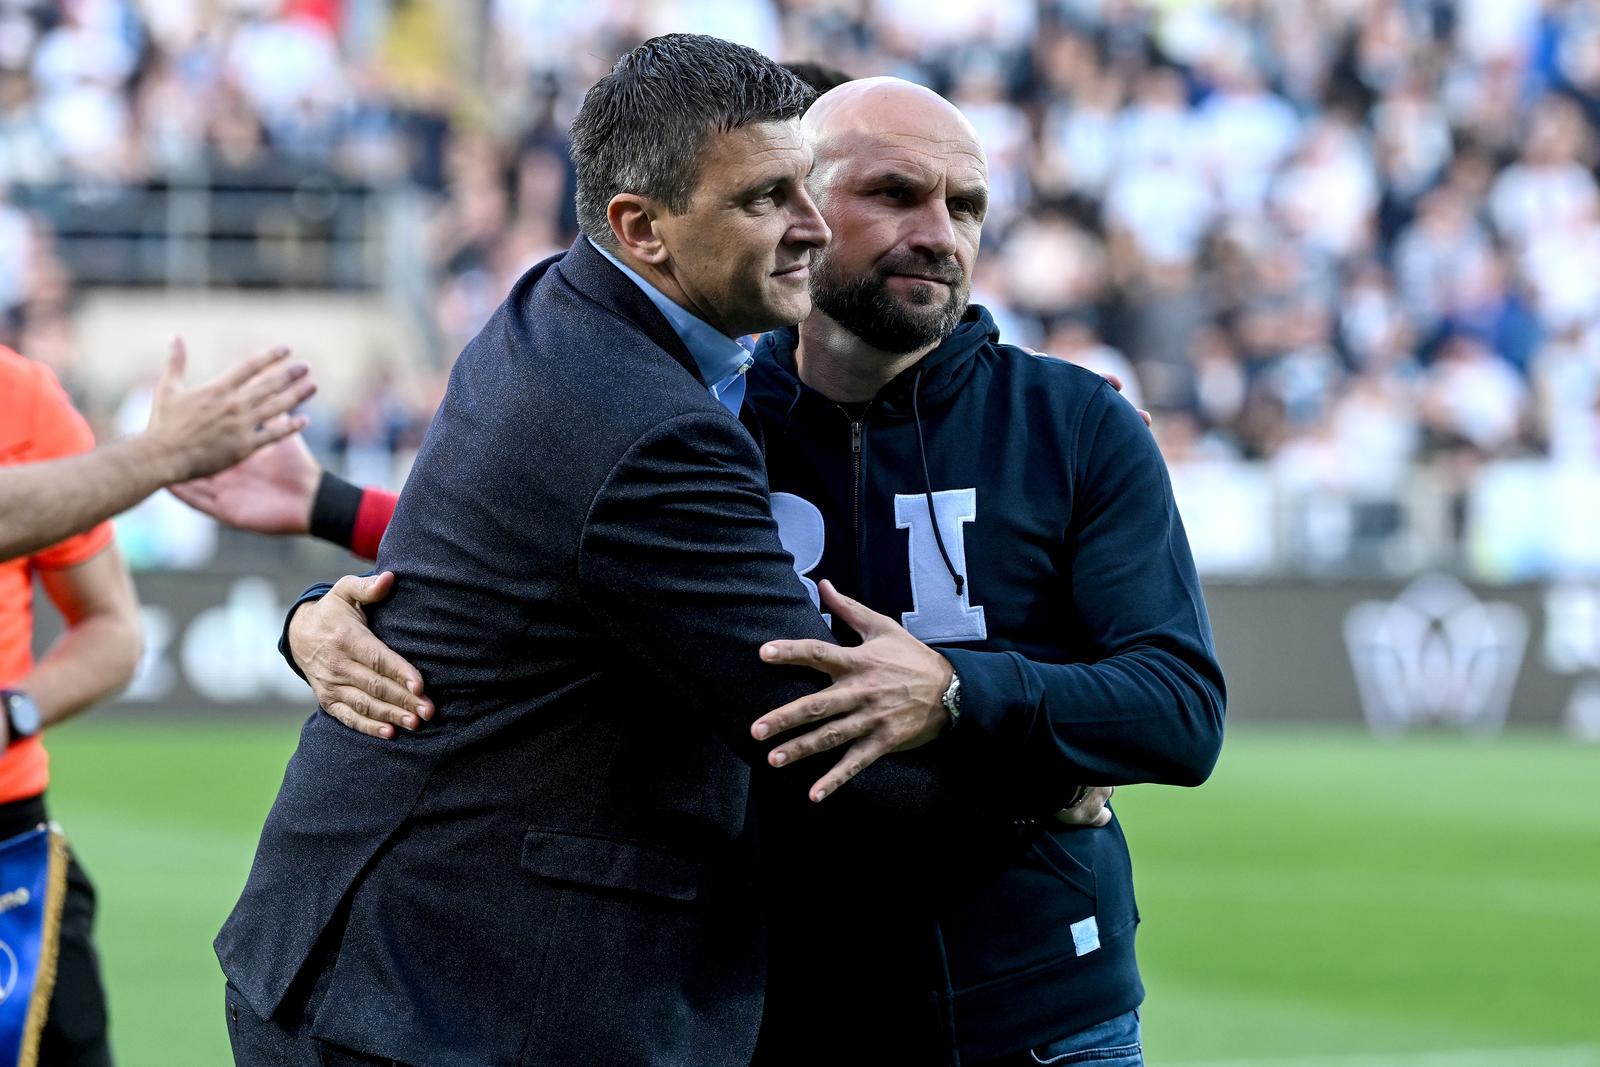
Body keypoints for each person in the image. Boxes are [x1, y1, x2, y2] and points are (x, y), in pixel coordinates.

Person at [209, 76, 1224, 1067]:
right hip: (775, 1004)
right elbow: (550, 560)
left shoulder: (1074, 423)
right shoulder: (700, 412)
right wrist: (317, 606)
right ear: (805, 199)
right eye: (892, 195)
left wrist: (965, 693)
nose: (939, 235)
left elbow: (1178, 705)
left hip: (1036, 1007)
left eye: (966, 207)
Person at [0, 337, 315, 1066]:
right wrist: (158, 455)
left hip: (11, 852)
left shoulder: (26, 398)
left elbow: (113, 632)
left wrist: (14, 712)